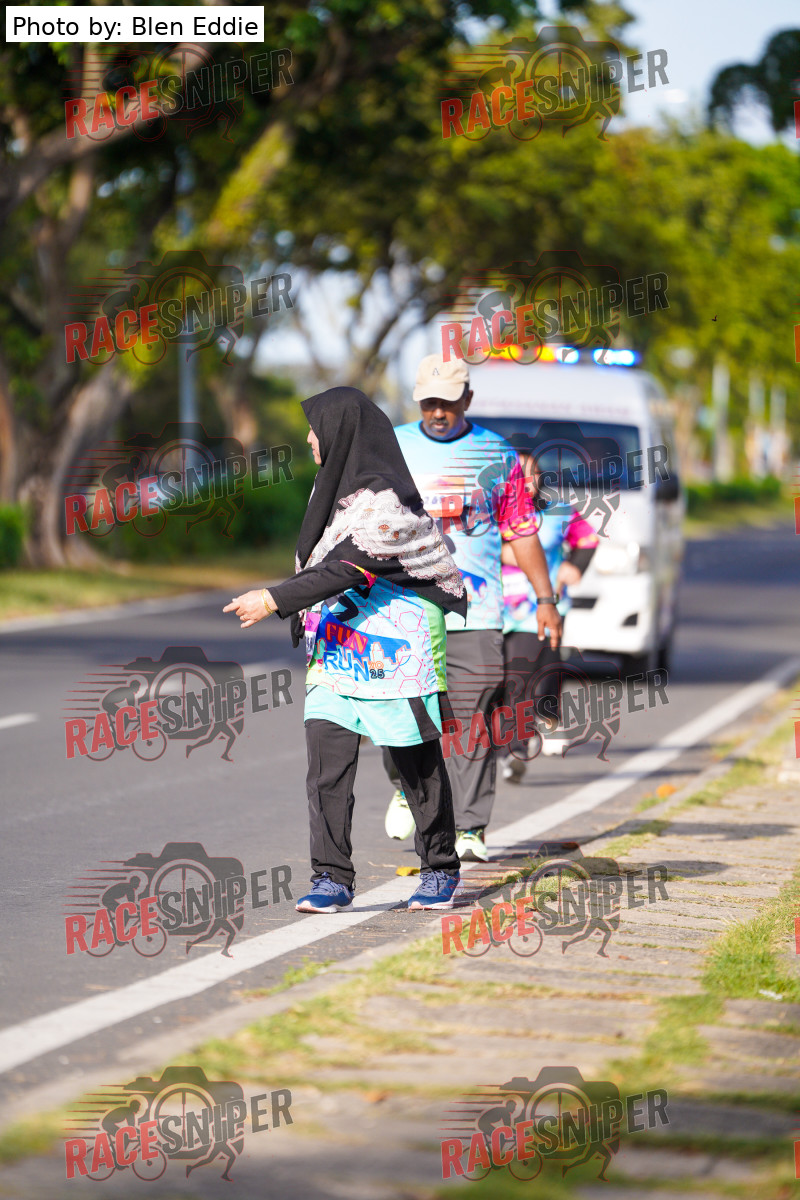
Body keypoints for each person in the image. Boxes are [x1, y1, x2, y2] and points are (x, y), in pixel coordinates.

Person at [224, 387, 466, 911]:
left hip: (397, 646)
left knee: (414, 761)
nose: (311, 440)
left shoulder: (389, 502)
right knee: (326, 764)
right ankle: (331, 878)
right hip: (338, 645)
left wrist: (273, 599)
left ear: (342, 432)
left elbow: (346, 568)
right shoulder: (331, 491)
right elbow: (321, 563)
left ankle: (440, 869)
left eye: (316, 430)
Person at [383, 355, 562, 862]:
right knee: (401, 708)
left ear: (468, 399)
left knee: (474, 716)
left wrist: (545, 599)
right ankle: (404, 786)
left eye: (448, 402)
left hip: (476, 610)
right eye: (429, 402)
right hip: (404, 606)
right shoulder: (393, 446)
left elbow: (521, 532)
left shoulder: (497, 454)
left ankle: (471, 828)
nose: (438, 412)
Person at [501, 451, 598, 779]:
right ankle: (516, 739)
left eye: (532, 474)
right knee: (506, 681)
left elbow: (587, 539)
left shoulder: (558, 511)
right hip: (496, 610)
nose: (526, 481)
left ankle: (520, 746)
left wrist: (575, 566)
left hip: (543, 608)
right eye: (518, 475)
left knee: (534, 675)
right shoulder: (489, 514)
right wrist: (504, 552)